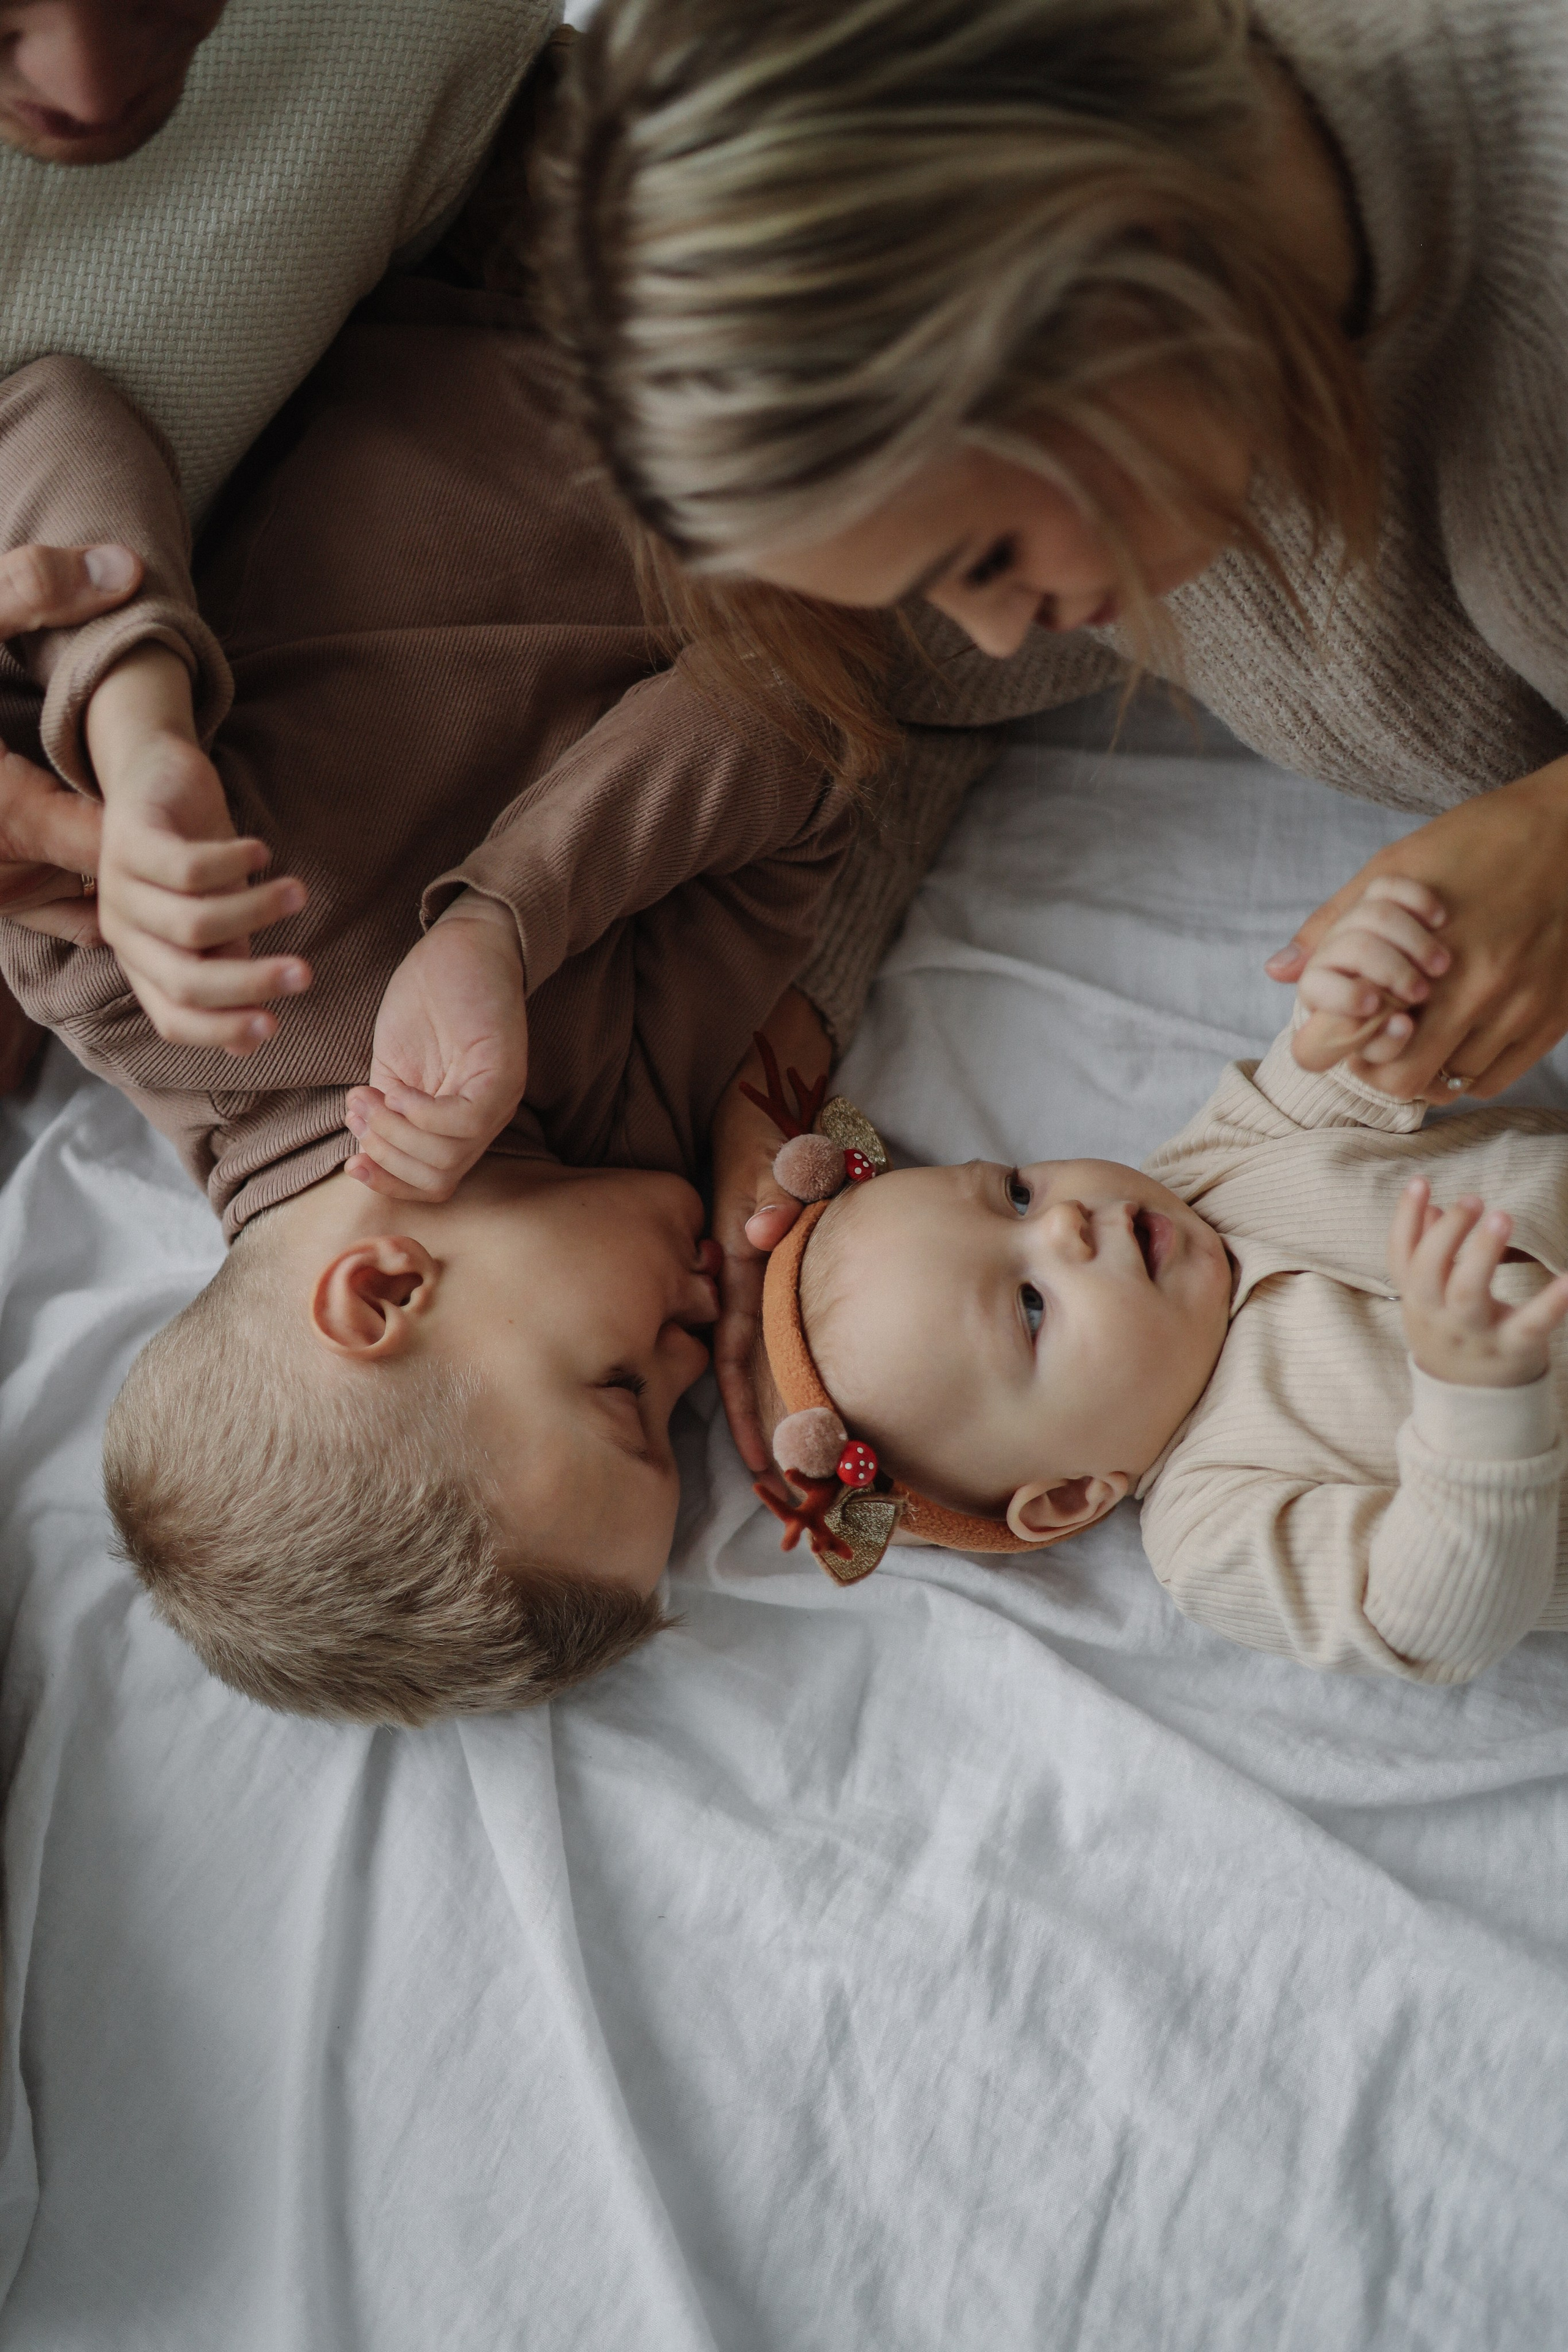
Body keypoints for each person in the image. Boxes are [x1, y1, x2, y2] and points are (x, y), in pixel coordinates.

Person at [540, 0, 1568, 1425]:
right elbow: (916, 700)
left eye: (986, 561)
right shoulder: (1135, 421)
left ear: (1102, 297)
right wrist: (784, 1048)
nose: (997, 625)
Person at [0, 272, 850, 1723]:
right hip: (804, 429)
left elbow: (46, 404)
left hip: (531, 273)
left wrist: (135, 734)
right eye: (684, 1415)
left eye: (620, 1395)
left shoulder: (138, 973)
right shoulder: (630, 1118)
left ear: (384, 1287)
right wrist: (507, 930)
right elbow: (806, 724)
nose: (690, 1358)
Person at [747, 878, 1568, 1684]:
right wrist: (1477, 1408)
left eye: (1017, 1192)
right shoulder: (1214, 1530)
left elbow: (1349, 1061)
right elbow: (1428, 1621)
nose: (1061, 1224)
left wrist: (1366, 988)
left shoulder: (1208, 1167)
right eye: (1030, 1307)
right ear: (1072, 1495)